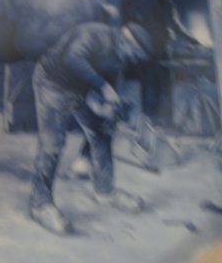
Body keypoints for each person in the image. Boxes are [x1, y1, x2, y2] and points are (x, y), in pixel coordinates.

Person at [29, 21, 153, 235]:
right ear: (125, 40)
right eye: (133, 55)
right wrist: (103, 87)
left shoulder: (120, 58)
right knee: (52, 144)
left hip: (82, 90)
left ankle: (104, 191)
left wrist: (108, 110)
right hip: (53, 84)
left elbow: (104, 90)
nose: (132, 61)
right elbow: (73, 58)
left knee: (103, 133)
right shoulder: (94, 34)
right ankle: (40, 204)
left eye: (136, 59)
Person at [126, 0, 200, 125]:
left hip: (144, 49)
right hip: (159, 49)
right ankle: (164, 120)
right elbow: (173, 25)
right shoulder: (166, 3)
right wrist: (191, 40)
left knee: (148, 83)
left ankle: (148, 119)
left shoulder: (144, 1)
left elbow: (134, 17)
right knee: (163, 84)